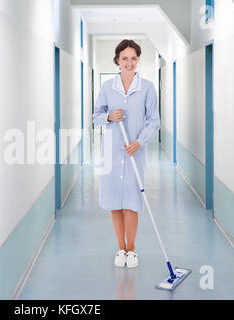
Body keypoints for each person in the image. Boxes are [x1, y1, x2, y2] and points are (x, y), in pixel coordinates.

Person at [92, 39, 160, 268]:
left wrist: (139, 143)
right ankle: (120, 248)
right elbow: (96, 117)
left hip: (135, 154)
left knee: (131, 203)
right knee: (115, 204)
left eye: (133, 58)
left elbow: (154, 122)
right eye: (124, 58)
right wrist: (110, 117)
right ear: (117, 60)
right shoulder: (107, 87)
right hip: (112, 152)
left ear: (138, 60)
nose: (129, 63)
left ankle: (132, 250)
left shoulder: (148, 88)